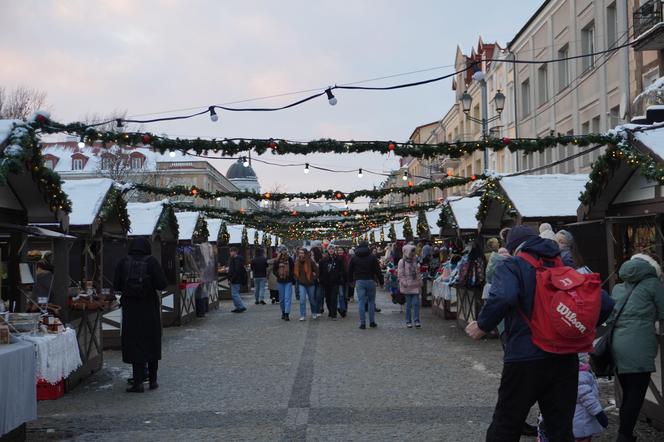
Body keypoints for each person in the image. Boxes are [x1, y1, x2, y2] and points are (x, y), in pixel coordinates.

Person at [465, 225, 614, 441]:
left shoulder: (513, 265)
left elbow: (504, 297)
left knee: (506, 424)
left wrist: (482, 325)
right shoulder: (564, 267)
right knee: (560, 429)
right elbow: (606, 304)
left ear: (515, 247)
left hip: (525, 358)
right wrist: (579, 329)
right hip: (565, 359)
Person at [610, 253, 664, 442]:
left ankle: (625, 433)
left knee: (627, 392)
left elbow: (610, 315)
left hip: (618, 344)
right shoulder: (654, 285)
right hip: (639, 344)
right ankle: (624, 435)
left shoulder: (617, 288)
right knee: (636, 394)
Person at [113, 237, 168, 393]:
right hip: (149, 307)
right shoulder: (152, 262)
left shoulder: (123, 262)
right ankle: (153, 381)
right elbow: (162, 284)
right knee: (152, 341)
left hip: (131, 309)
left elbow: (116, 285)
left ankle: (138, 383)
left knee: (134, 343)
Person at [348, 241, 384, 329]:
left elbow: (349, 270)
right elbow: (378, 270)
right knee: (371, 302)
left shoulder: (354, 257)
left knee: (361, 302)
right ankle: (372, 322)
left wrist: (350, 281)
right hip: (370, 281)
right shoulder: (372, 257)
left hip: (359, 281)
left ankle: (362, 323)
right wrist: (381, 282)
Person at [398, 244, 422, 328]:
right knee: (408, 305)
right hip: (407, 286)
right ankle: (408, 321)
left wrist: (419, 281)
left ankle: (416, 321)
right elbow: (400, 274)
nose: (412, 253)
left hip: (415, 285)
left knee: (416, 304)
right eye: (411, 252)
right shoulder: (402, 261)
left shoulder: (415, 260)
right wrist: (405, 283)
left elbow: (418, 272)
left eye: (413, 252)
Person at [319, 247, 345, 320]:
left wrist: (340, 277)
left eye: (332, 249)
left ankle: (334, 314)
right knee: (328, 299)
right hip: (326, 282)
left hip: (335, 282)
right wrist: (321, 279)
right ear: (328, 250)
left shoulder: (338, 259)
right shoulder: (323, 260)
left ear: (334, 250)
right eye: (330, 249)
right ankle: (330, 311)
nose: (331, 250)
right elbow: (320, 271)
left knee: (334, 298)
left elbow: (342, 270)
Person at [294, 248, 319, 321]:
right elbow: (295, 272)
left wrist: (313, 277)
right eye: (300, 253)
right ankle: (302, 315)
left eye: (302, 253)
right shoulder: (297, 261)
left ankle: (314, 312)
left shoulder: (310, 261)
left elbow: (317, 271)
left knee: (312, 300)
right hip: (301, 283)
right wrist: (297, 279)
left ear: (305, 253)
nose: (301, 254)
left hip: (310, 284)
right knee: (302, 300)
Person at [273, 247, 294, 321]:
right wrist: (278, 275)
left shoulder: (290, 259)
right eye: (282, 250)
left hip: (288, 281)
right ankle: (283, 311)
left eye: (285, 250)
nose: (283, 251)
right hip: (280, 281)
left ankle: (287, 314)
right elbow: (274, 270)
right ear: (280, 251)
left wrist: (289, 275)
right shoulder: (277, 260)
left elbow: (293, 269)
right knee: (282, 299)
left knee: (287, 298)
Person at [227, 247, 247, 313]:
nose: (230, 253)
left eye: (231, 251)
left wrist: (232, 279)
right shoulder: (236, 259)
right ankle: (238, 307)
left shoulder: (237, 259)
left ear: (235, 252)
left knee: (234, 294)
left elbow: (236, 270)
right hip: (236, 278)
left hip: (236, 279)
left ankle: (241, 306)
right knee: (235, 293)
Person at [336, 246, 350, 317]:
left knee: (345, 296)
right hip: (339, 280)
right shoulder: (336, 259)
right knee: (341, 295)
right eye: (338, 250)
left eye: (341, 250)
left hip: (346, 280)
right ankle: (343, 309)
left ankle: (345, 309)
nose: (339, 251)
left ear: (344, 251)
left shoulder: (347, 258)